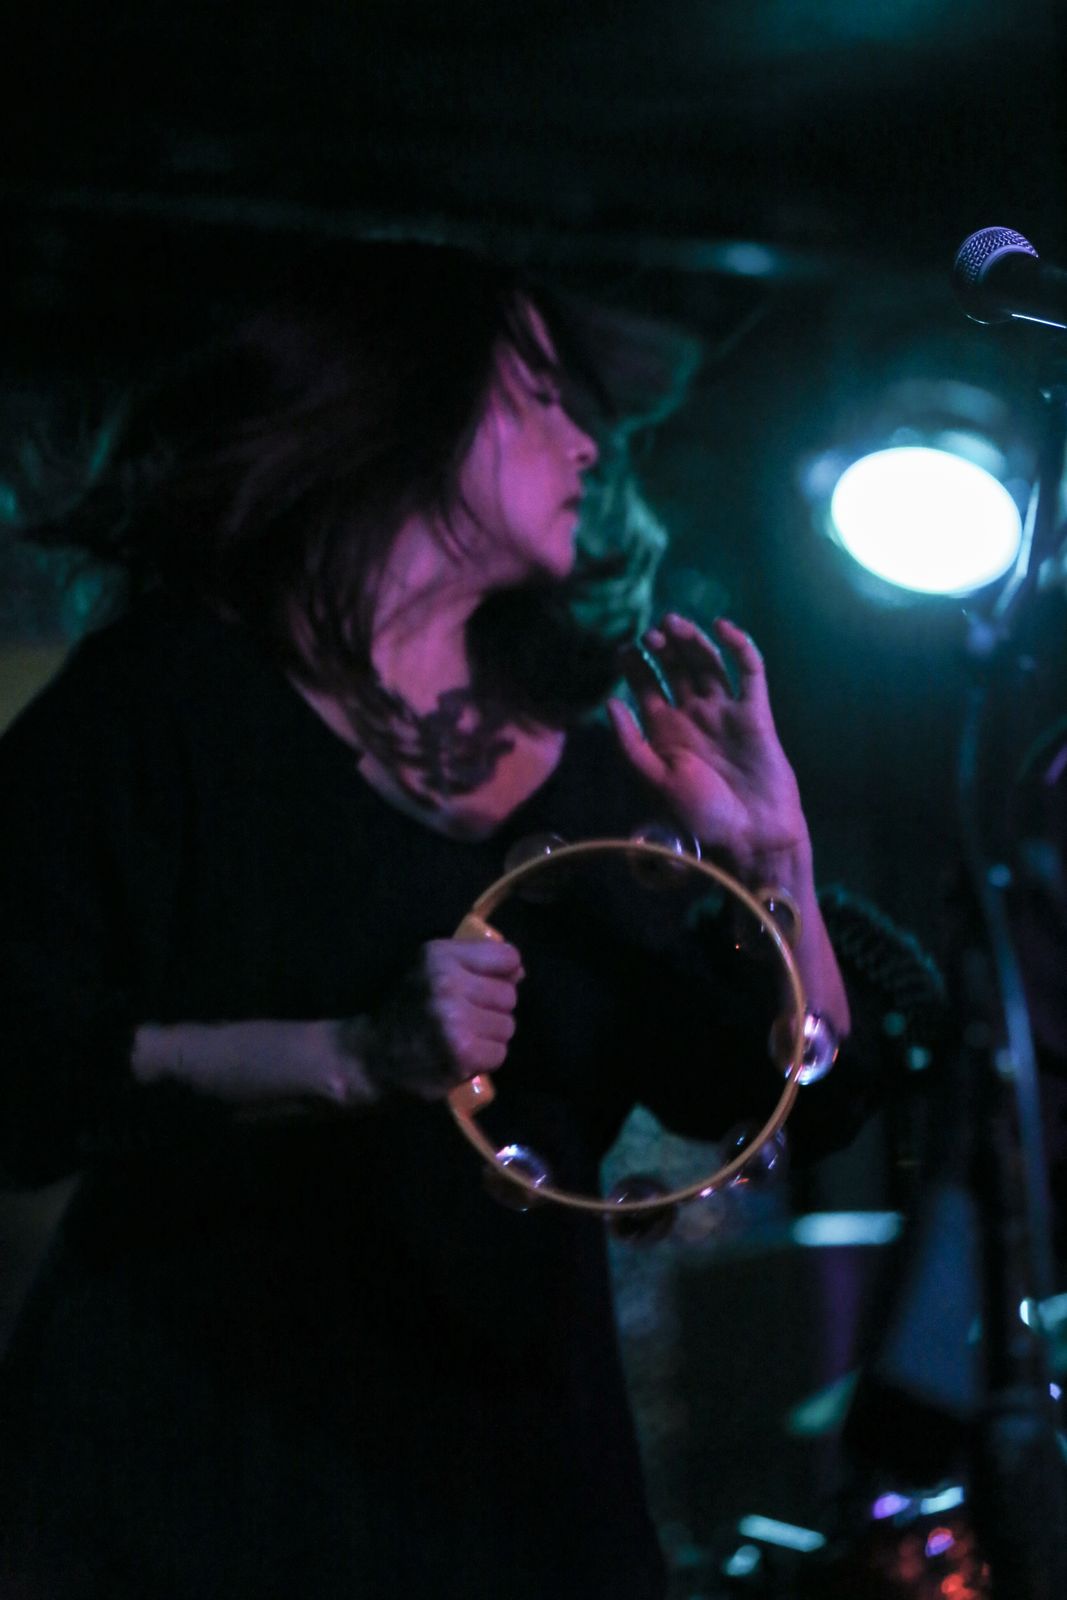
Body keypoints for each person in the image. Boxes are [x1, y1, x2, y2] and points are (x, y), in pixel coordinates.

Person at [0, 238, 880, 1600]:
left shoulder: (596, 759)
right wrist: (351, 1056)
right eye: (536, 397)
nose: (585, 443)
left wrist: (776, 857)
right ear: (401, 408)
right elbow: (20, 1076)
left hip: (516, 1494)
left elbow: (786, 1093)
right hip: (198, 1477)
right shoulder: (159, 703)